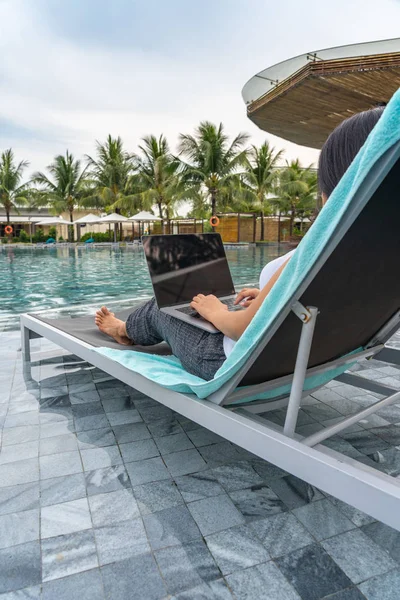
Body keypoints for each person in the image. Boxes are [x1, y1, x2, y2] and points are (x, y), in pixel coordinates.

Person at [95, 106, 384, 380]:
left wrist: (216, 312)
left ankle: (124, 330)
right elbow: (329, 299)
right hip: (312, 355)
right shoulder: (377, 250)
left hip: (230, 362)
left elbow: (243, 330)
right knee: (195, 304)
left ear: (335, 180)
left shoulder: (322, 243)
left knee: (162, 307)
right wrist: (272, 298)